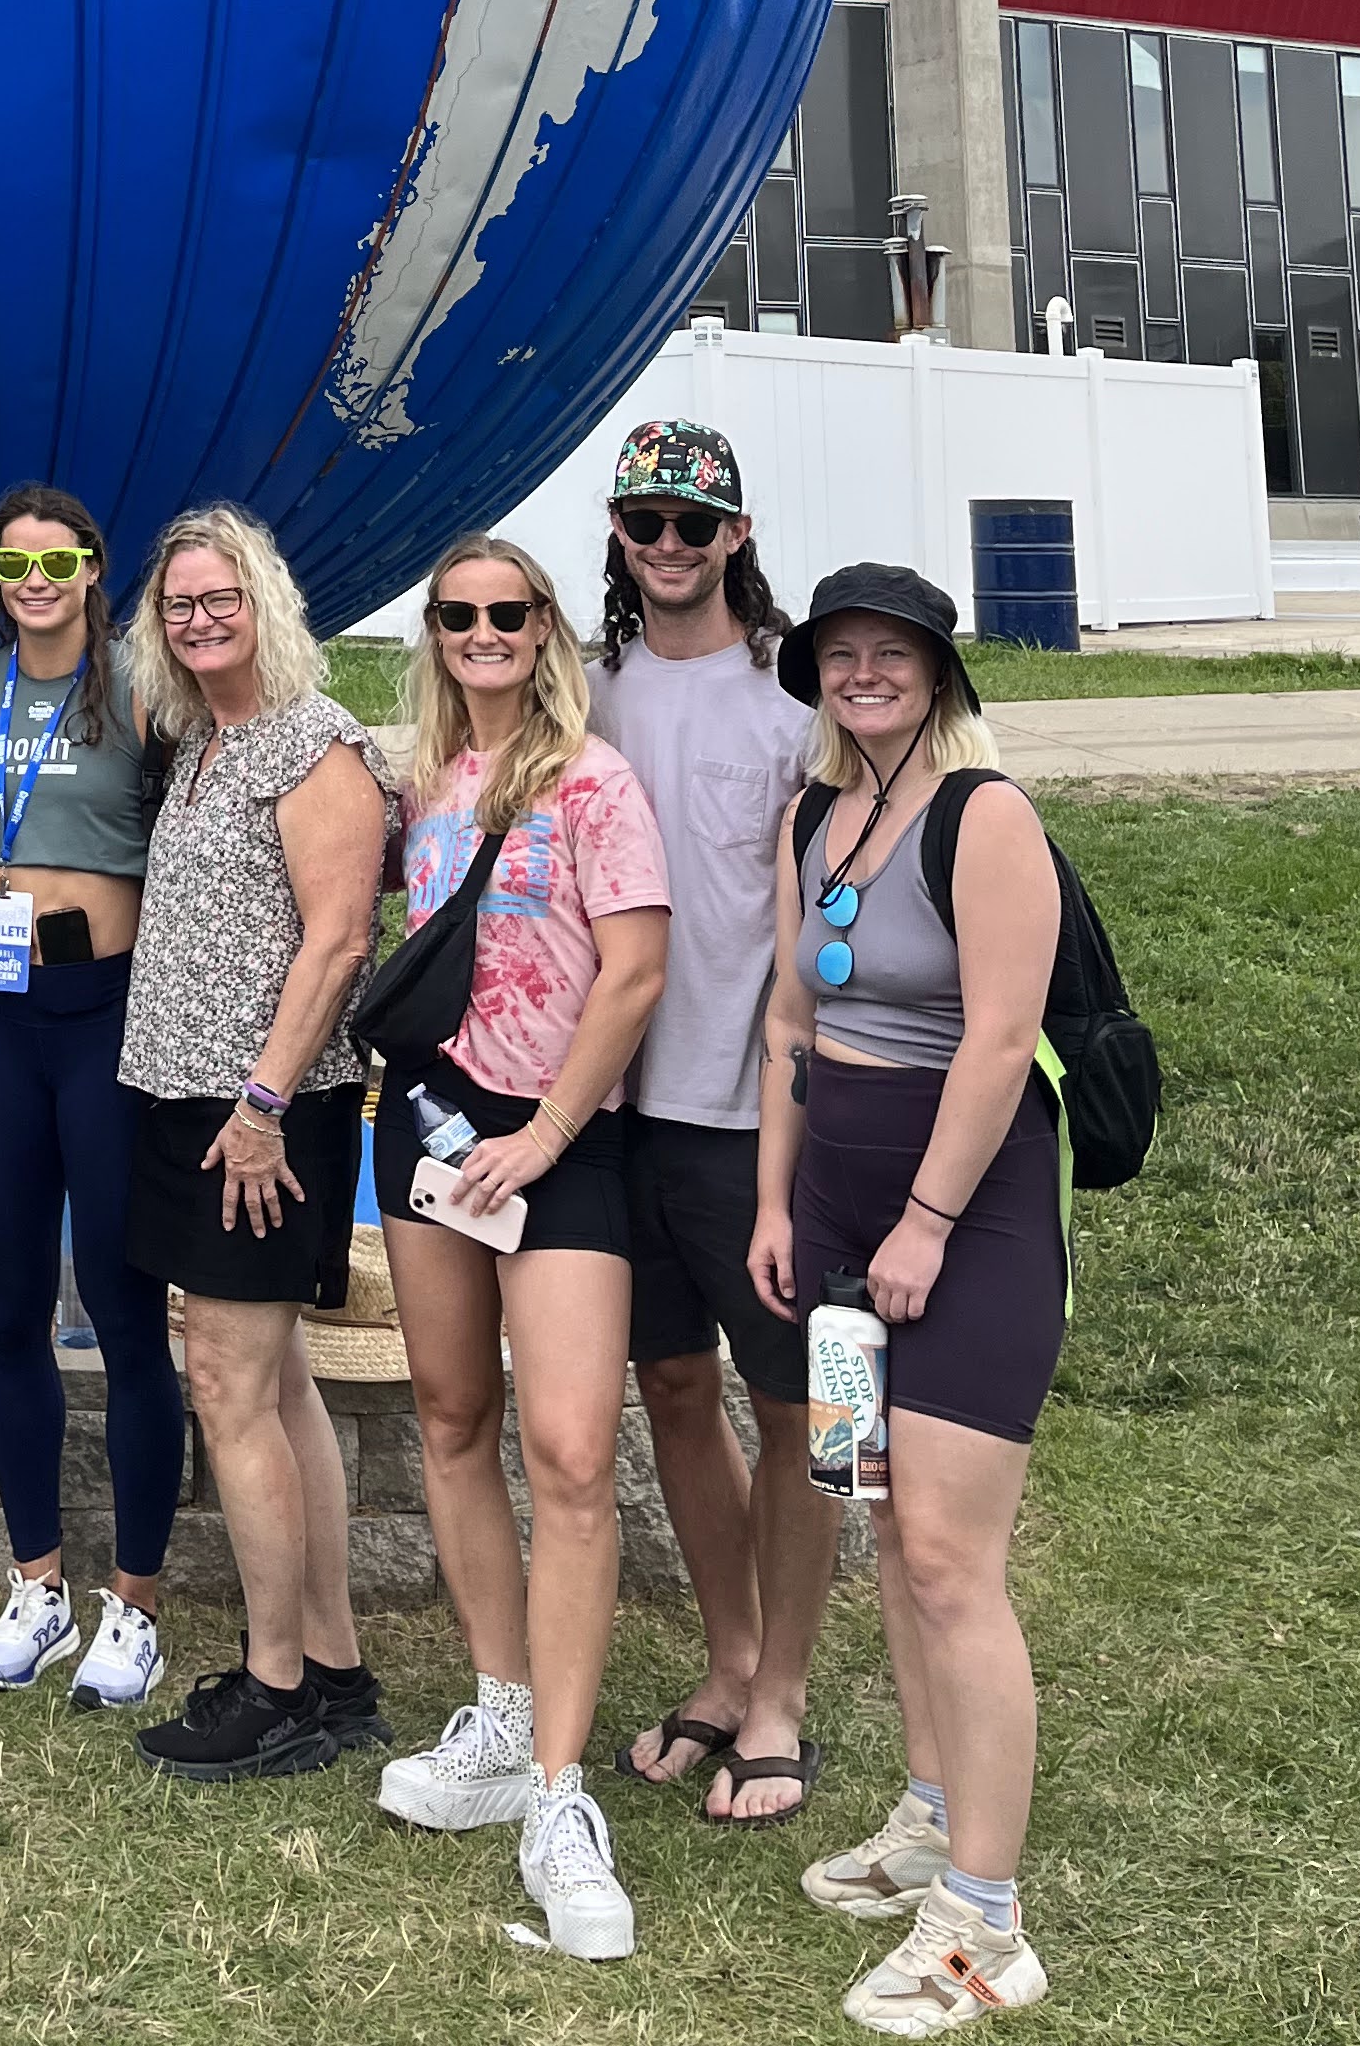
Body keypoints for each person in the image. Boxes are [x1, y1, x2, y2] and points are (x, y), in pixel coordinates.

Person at [751, 567, 1064, 2030]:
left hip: (969, 1220)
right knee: (870, 1508)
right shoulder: (815, 816)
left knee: (949, 1558)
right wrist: (775, 1203)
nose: (863, 674)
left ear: (940, 672)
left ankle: (987, 1929)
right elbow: (789, 1021)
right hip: (834, 1227)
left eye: (893, 655)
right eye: (840, 655)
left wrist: (931, 1217)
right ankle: (931, 1817)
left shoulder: (983, 816)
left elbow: (1001, 1042)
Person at [375, 533, 669, 1964]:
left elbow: (639, 973)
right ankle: (497, 1715)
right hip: (430, 1130)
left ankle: (561, 1794)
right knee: (448, 1417)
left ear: (546, 625)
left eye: (508, 613)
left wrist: (547, 1137)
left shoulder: (594, 781)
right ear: (432, 634)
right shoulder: (421, 782)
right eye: (457, 617)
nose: (482, 634)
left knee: (566, 1452)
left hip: (560, 1141)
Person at [589, 421, 836, 1827]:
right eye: (645, 521)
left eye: (695, 522)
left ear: (737, 532)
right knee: (674, 1394)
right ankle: (732, 1663)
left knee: (800, 1410)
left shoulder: (797, 699)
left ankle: (788, 1694)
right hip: (621, 1113)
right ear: (620, 535)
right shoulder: (597, 695)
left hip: (760, 1124)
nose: (670, 544)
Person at [117, 502, 385, 1785]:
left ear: (264, 601)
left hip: (262, 1121)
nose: (200, 618)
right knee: (277, 1388)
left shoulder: (310, 745)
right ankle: (331, 1669)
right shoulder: (205, 745)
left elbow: (337, 940)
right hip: (189, 1106)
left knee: (228, 1385)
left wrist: (264, 1105)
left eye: (221, 596)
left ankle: (272, 1685)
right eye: (179, 604)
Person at [0, 483, 179, 1710]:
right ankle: (36, 1585)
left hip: (106, 1016)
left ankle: (133, 1603)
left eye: (60, 559)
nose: (35, 578)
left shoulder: (140, 690)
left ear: (95, 568)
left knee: (125, 1305)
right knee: (8, 1305)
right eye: (14, 560)